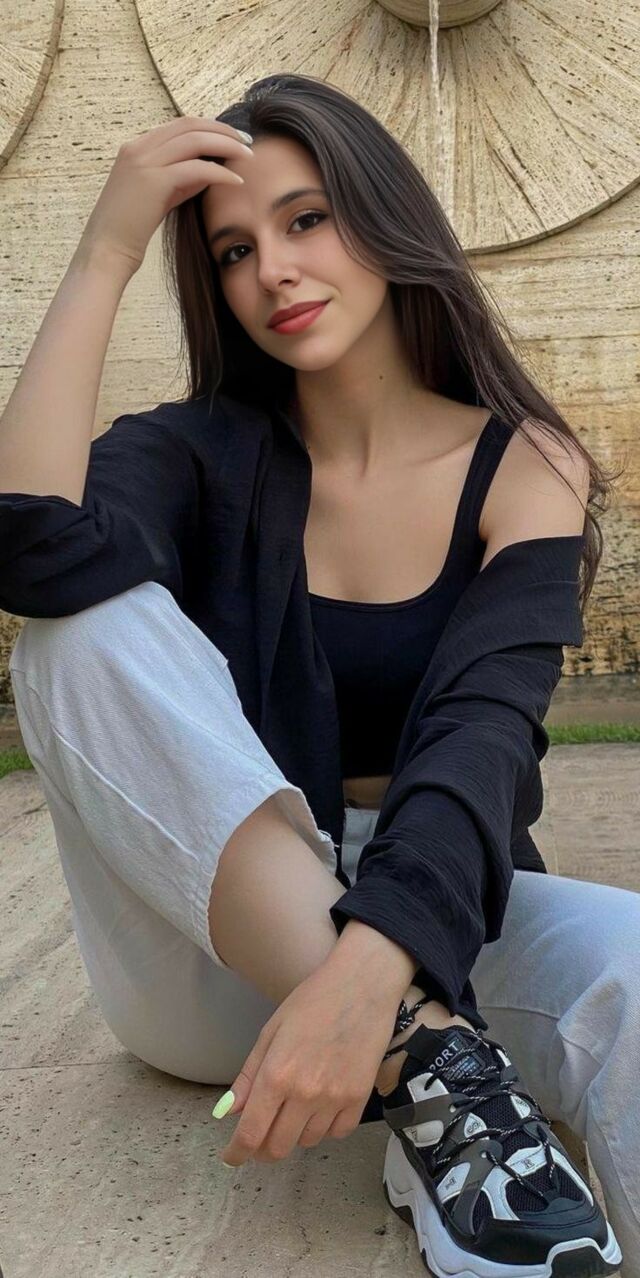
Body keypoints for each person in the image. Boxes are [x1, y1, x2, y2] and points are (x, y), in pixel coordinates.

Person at [0, 71, 635, 1278]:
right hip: (207, 952)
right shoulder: (194, 451)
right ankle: (433, 1072)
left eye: (306, 220)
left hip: (427, 918)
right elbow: (31, 547)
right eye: (234, 251)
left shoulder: (522, 462)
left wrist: (374, 969)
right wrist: (104, 251)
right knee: (73, 631)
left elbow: (484, 730)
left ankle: (430, 1082)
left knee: (635, 970)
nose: (274, 273)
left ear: (384, 217)